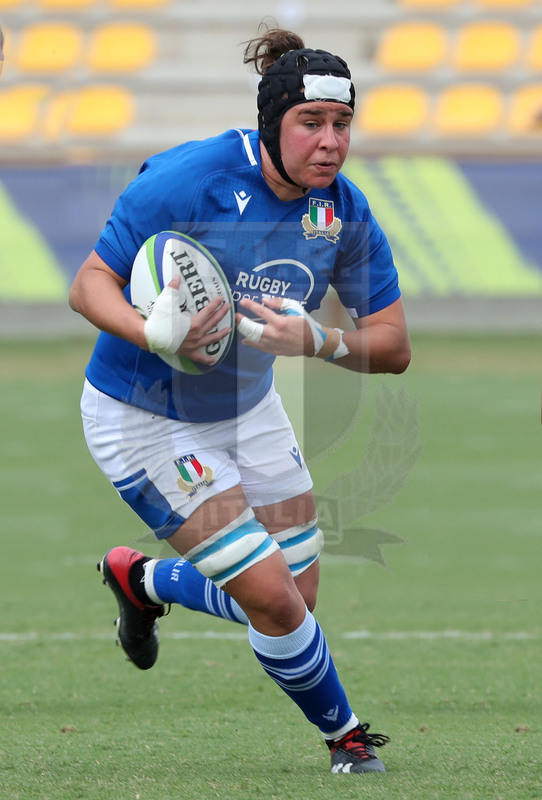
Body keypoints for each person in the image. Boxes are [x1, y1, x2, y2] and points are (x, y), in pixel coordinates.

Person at [69, 25, 410, 775]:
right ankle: (348, 741)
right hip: (143, 419)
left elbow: (393, 346)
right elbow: (89, 282)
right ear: (270, 123)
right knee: (278, 603)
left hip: (249, 412)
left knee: (297, 598)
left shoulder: (342, 212)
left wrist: (319, 343)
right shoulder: (188, 179)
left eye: (342, 124)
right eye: (311, 123)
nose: (330, 143)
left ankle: (143, 578)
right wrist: (151, 330)